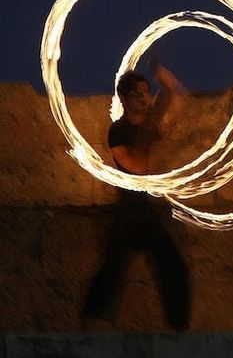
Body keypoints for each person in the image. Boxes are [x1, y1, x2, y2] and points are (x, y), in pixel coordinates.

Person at [82, 60, 191, 330]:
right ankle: (87, 326)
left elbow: (181, 103)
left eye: (146, 91)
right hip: (129, 217)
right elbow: (137, 168)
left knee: (174, 269)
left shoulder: (151, 127)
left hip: (150, 215)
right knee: (110, 274)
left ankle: (178, 332)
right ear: (124, 99)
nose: (144, 98)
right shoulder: (117, 131)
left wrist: (167, 82)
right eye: (137, 94)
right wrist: (148, 130)